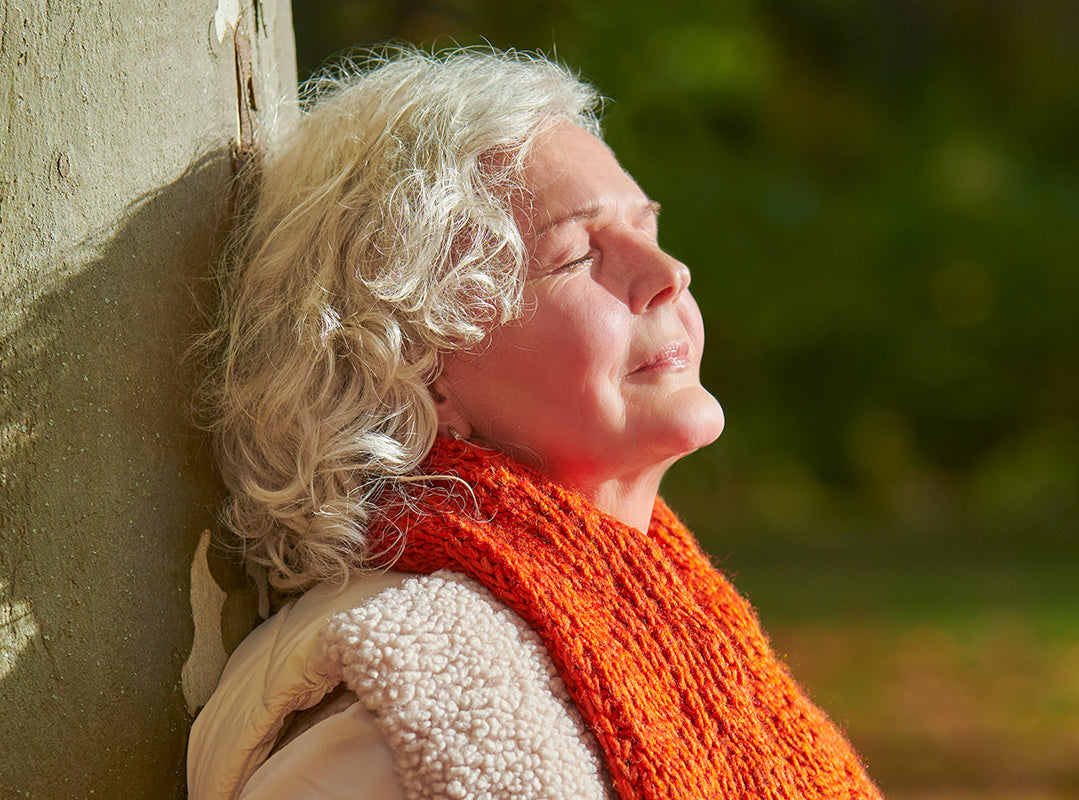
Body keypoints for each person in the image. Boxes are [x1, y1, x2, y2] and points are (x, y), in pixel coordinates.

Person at [187, 48, 882, 800]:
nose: (668, 275)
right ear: (416, 364)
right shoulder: (408, 719)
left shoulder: (663, 610)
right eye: (579, 256)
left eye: (648, 229)